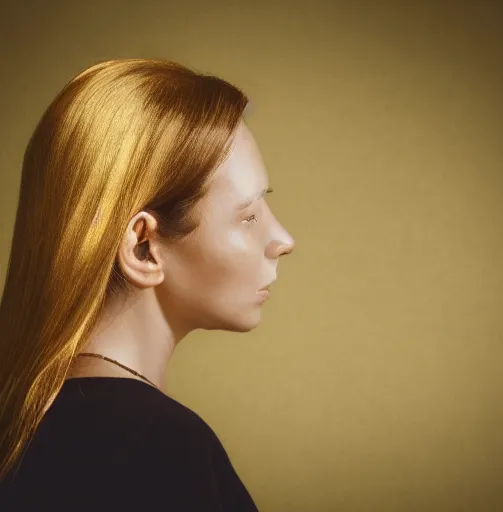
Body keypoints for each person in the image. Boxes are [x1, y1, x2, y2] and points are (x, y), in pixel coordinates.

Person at [0, 58, 295, 511]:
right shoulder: (167, 450)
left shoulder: (19, 433)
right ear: (143, 248)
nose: (283, 240)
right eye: (249, 215)